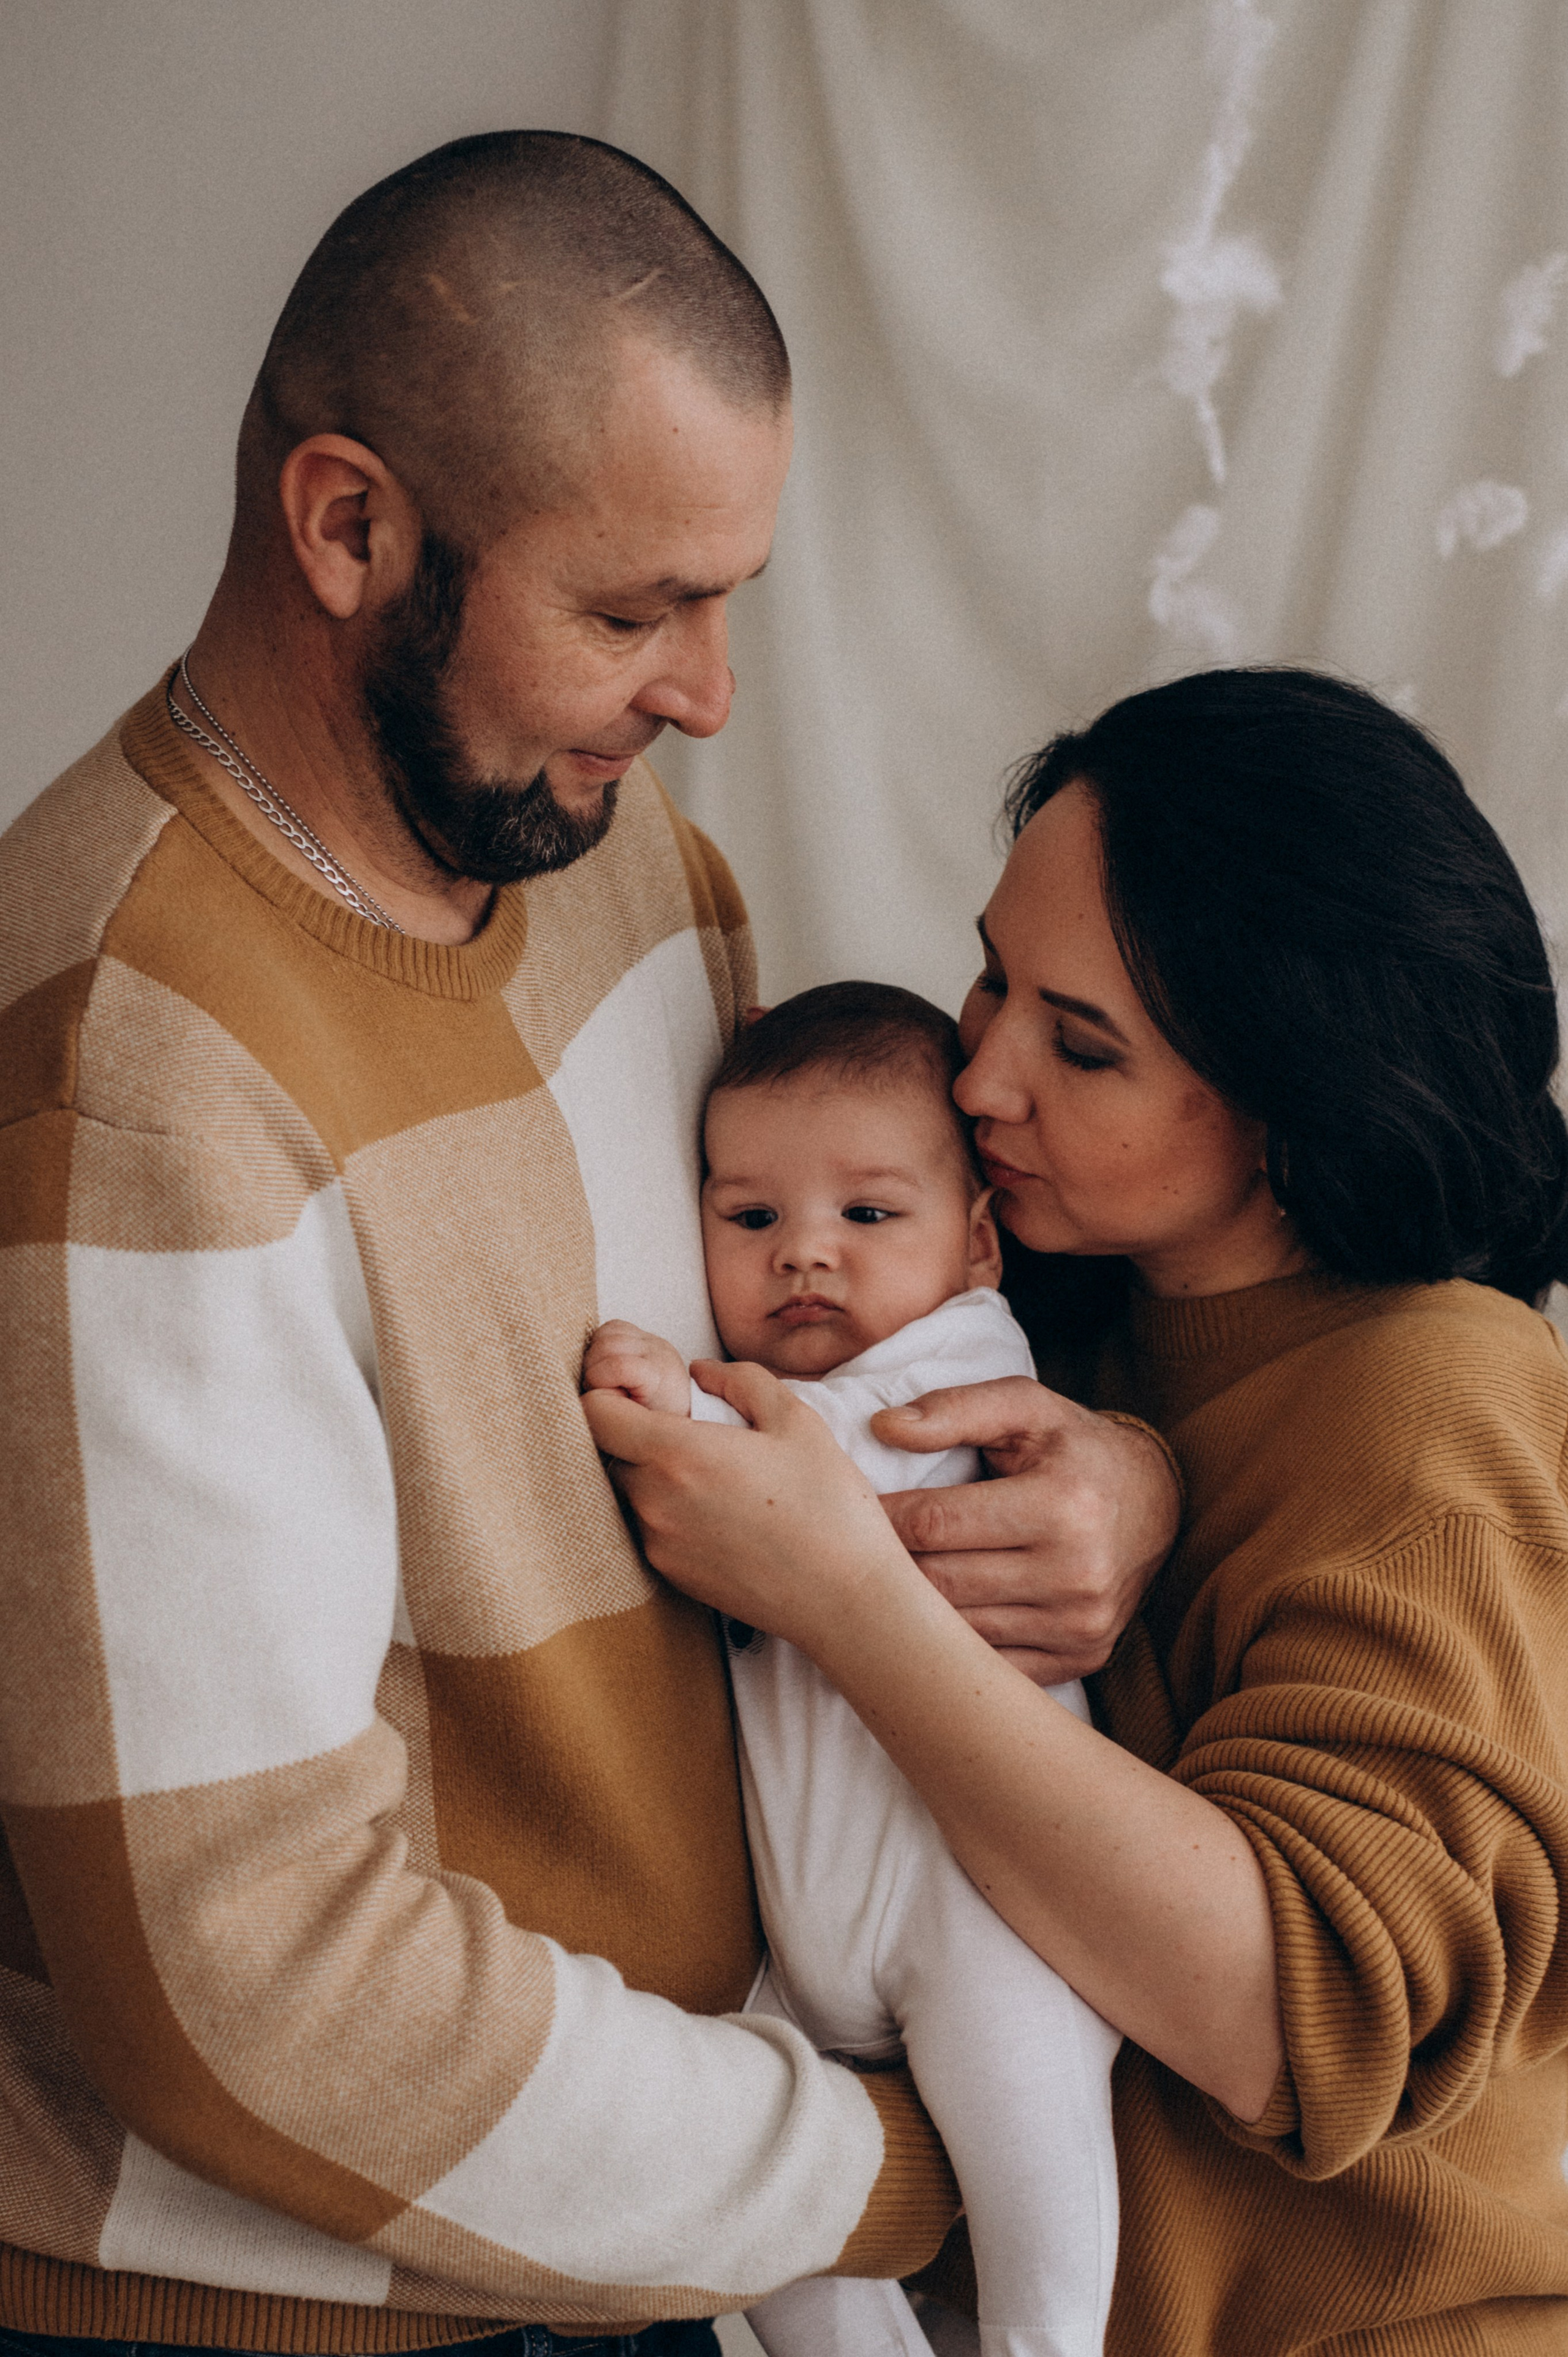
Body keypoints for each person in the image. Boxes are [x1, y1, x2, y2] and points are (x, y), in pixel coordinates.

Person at [0, 132, 1180, 2357]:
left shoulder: (621, 864)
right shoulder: (132, 1077)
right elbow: (248, 1985)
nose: (709, 693)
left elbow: (844, 1328)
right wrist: (892, 2167)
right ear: (348, 525)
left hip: (639, 2231)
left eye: (725, 596)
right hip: (303, 2301)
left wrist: (1118, 1478)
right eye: (633, 610)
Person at [586, 668, 1568, 2357]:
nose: (978, 1080)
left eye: (1082, 1044)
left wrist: (851, 1597)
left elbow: (1298, 2018)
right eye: (991, 978)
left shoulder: (1443, 1400)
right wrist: (1139, 1464)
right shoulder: (1058, 1303)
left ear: (1282, 1108)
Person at [585, 981, 1123, 2357]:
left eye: (867, 1216)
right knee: (752, 2237)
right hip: (791, 1948)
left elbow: (820, 1461)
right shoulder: (774, 1375)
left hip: (981, 1911)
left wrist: (680, 1397)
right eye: (750, 1217)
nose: (804, 1258)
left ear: (976, 1242)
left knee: (1039, 2201)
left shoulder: (959, 1364)